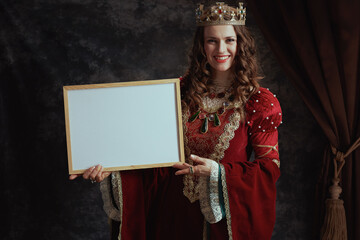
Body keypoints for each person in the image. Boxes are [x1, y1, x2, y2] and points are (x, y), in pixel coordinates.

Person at [70, 2, 282, 239]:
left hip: (220, 223)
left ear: (241, 43)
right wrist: (112, 168)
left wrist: (219, 173)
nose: (221, 48)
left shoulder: (260, 102)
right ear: (202, 45)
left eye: (229, 40)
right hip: (169, 217)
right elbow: (149, 158)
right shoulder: (176, 92)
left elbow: (269, 168)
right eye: (212, 40)